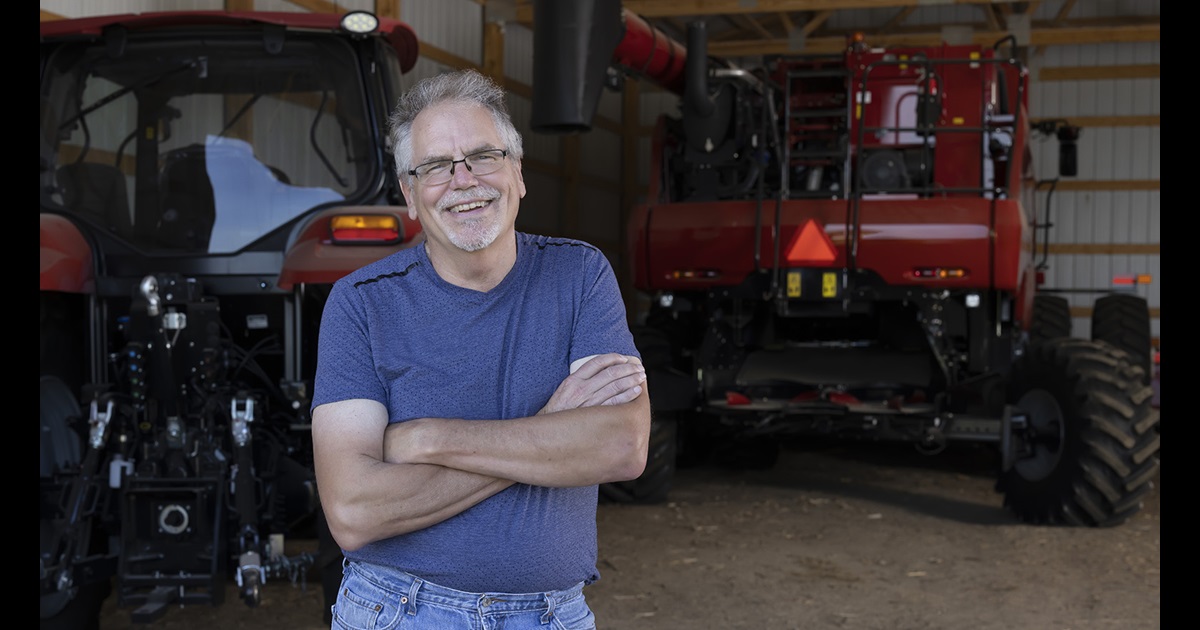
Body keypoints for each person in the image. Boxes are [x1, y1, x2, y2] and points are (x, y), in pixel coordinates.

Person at [310, 68, 652, 630]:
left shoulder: (580, 274)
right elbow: (353, 511)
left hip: (552, 615)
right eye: (435, 167)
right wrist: (551, 428)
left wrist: (427, 437)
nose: (463, 180)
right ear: (411, 195)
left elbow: (621, 445)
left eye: (482, 156)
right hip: (400, 610)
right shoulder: (360, 304)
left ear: (517, 173)